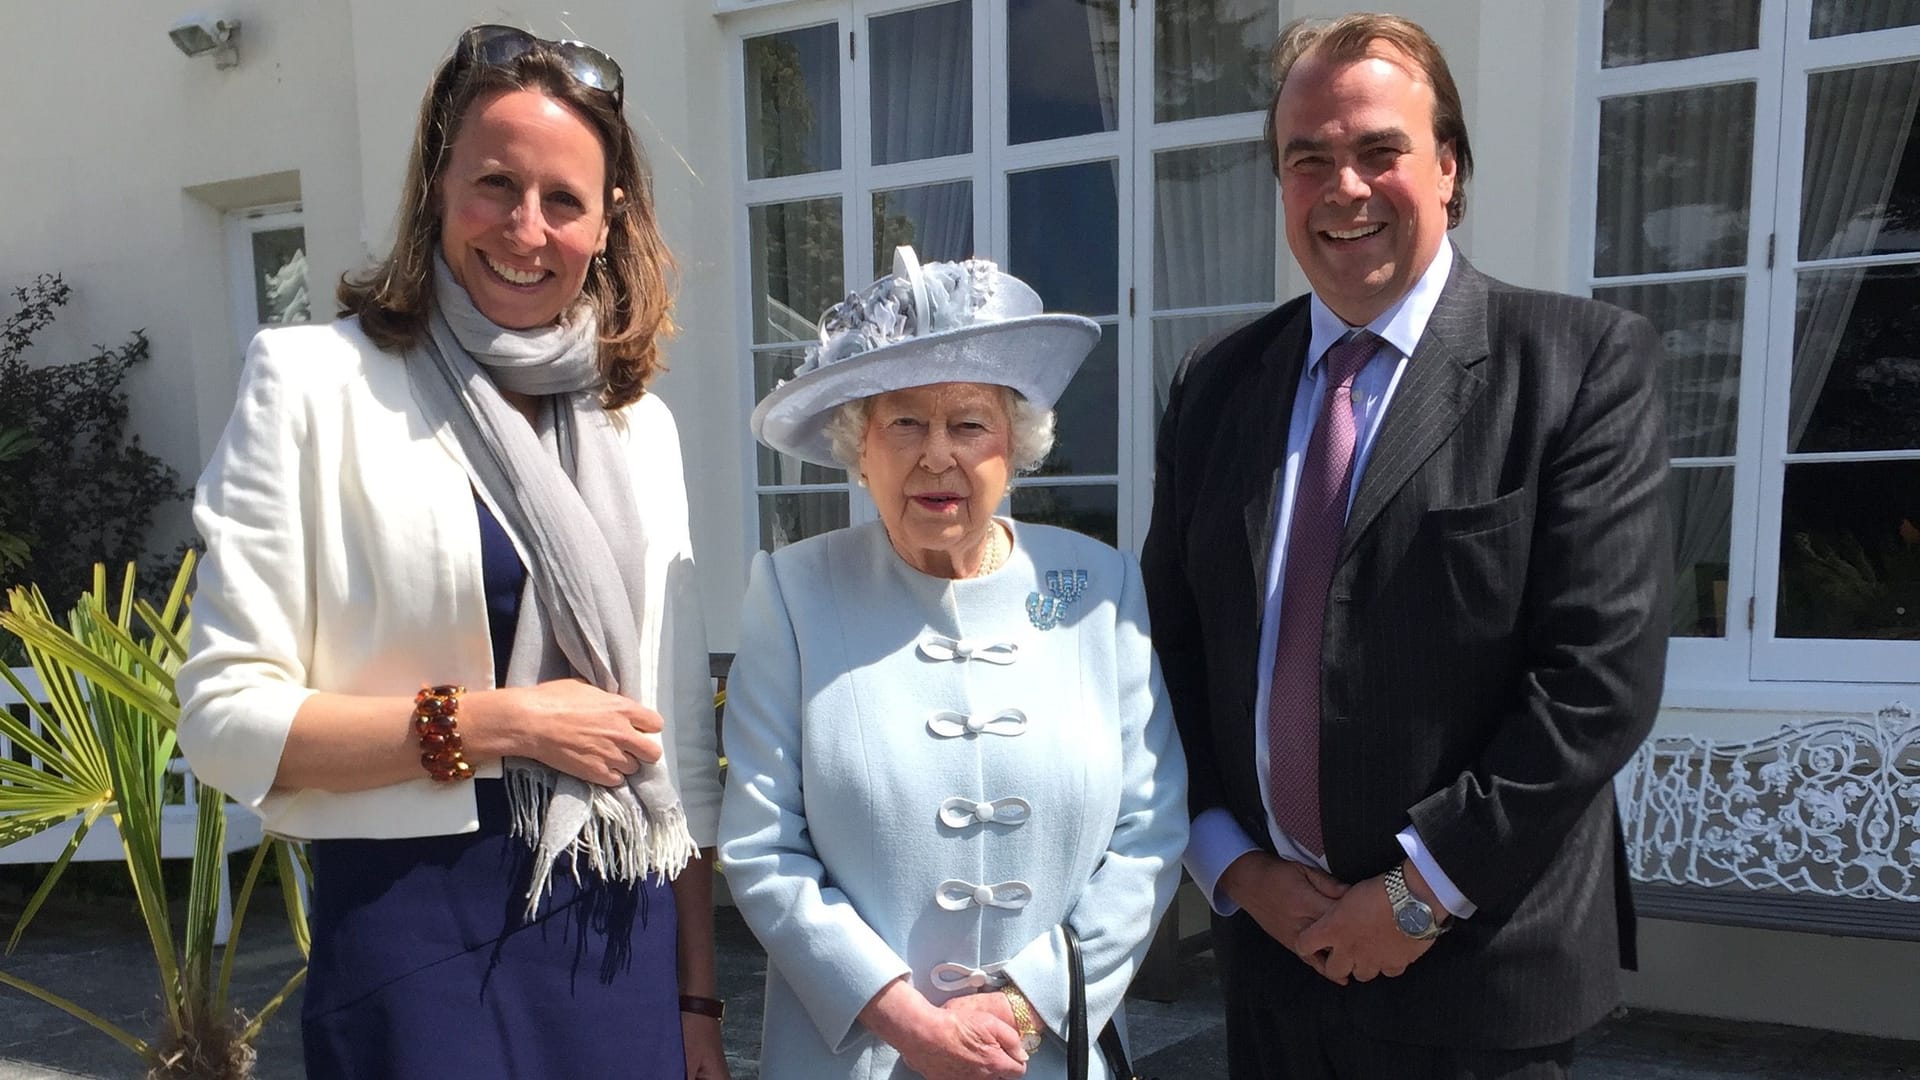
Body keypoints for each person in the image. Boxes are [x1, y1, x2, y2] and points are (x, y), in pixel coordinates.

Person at [176, 24, 727, 1079]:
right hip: (416, 935)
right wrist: (498, 724)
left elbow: (678, 755)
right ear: (436, 188)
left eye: (562, 200)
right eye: (494, 185)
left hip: (620, 933)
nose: (526, 228)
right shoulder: (311, 385)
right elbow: (222, 720)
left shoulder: (634, 424)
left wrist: (697, 1000)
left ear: (607, 224)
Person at [1140, 13, 1671, 1079]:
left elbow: (1595, 680)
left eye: (1379, 150)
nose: (1344, 188)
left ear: (1448, 166)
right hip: (1275, 960)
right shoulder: (1216, 383)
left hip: (1480, 968)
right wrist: (1236, 868)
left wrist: (1418, 891)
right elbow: (1168, 654)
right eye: (1309, 160)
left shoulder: (1576, 367)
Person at [719, 248, 1189, 1080]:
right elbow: (762, 846)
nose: (938, 456)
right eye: (904, 422)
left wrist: (1024, 1004)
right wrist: (907, 1020)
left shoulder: (1099, 586)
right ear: (859, 446)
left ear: (1017, 445)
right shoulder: (792, 594)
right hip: (856, 1057)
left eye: (969, 423)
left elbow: (1149, 831)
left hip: (1039, 1053)